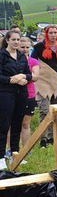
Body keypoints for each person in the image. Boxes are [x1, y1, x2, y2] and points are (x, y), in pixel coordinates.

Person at [0, 30, 32, 170]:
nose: (16, 42)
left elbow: (29, 74)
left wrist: (22, 77)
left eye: (18, 39)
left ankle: (15, 153)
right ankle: (1, 157)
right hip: (6, 93)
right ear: (7, 40)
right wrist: (11, 80)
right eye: (13, 39)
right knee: (4, 125)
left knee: (17, 125)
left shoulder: (21, 56)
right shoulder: (2, 55)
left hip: (21, 93)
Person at [31, 24, 57, 148]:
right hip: (42, 81)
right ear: (46, 34)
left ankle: (52, 137)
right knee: (44, 110)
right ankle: (43, 138)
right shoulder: (38, 47)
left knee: (54, 110)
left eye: (55, 33)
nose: (53, 35)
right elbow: (32, 62)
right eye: (50, 33)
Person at [18, 37, 39, 152]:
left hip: (29, 95)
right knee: (12, 124)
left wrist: (22, 76)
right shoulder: (12, 60)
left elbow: (35, 76)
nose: (25, 49)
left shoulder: (33, 61)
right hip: (14, 94)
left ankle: (26, 150)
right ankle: (10, 150)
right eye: (23, 47)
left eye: (27, 47)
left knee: (25, 124)